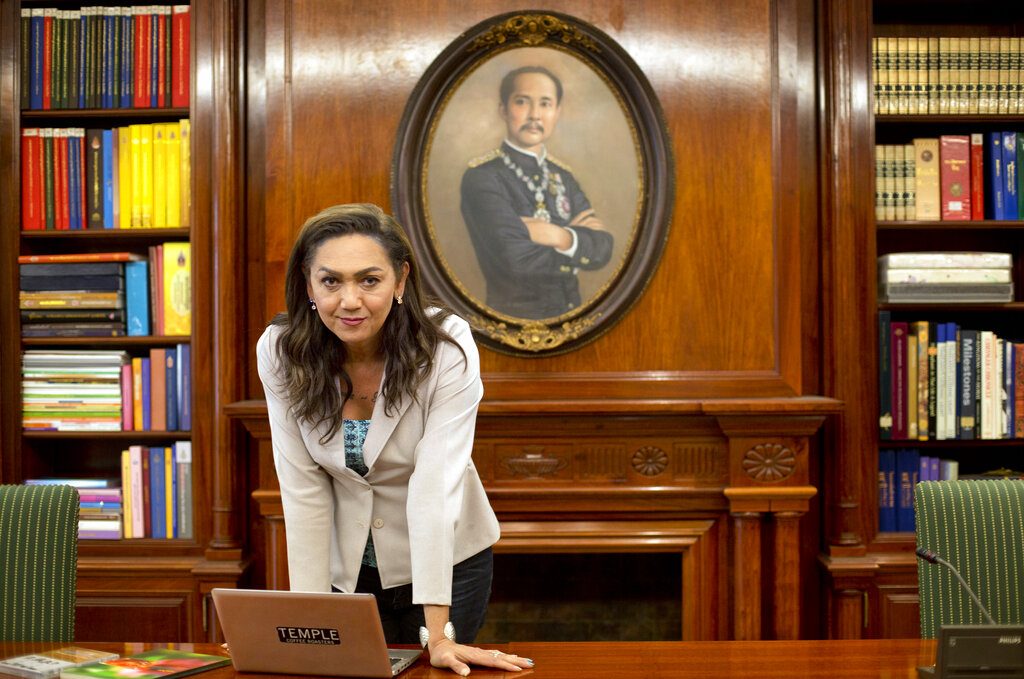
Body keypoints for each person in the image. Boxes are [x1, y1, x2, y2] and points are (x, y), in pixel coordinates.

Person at [257, 204, 533, 676]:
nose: (350, 300)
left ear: (400, 281)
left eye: (369, 280)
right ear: (308, 285)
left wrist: (440, 636)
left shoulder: (446, 345)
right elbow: (302, 490)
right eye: (330, 281)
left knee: (436, 671)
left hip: (448, 563)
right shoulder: (281, 352)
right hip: (348, 571)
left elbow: (435, 484)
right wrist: (311, 622)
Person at [460, 65, 615, 320]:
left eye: (545, 104)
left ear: (557, 112)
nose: (535, 115)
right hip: (509, 319)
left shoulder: (563, 176)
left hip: (573, 317)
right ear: (504, 109)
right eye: (522, 102)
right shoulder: (482, 177)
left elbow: (602, 248)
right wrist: (577, 245)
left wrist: (559, 236)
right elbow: (515, 260)